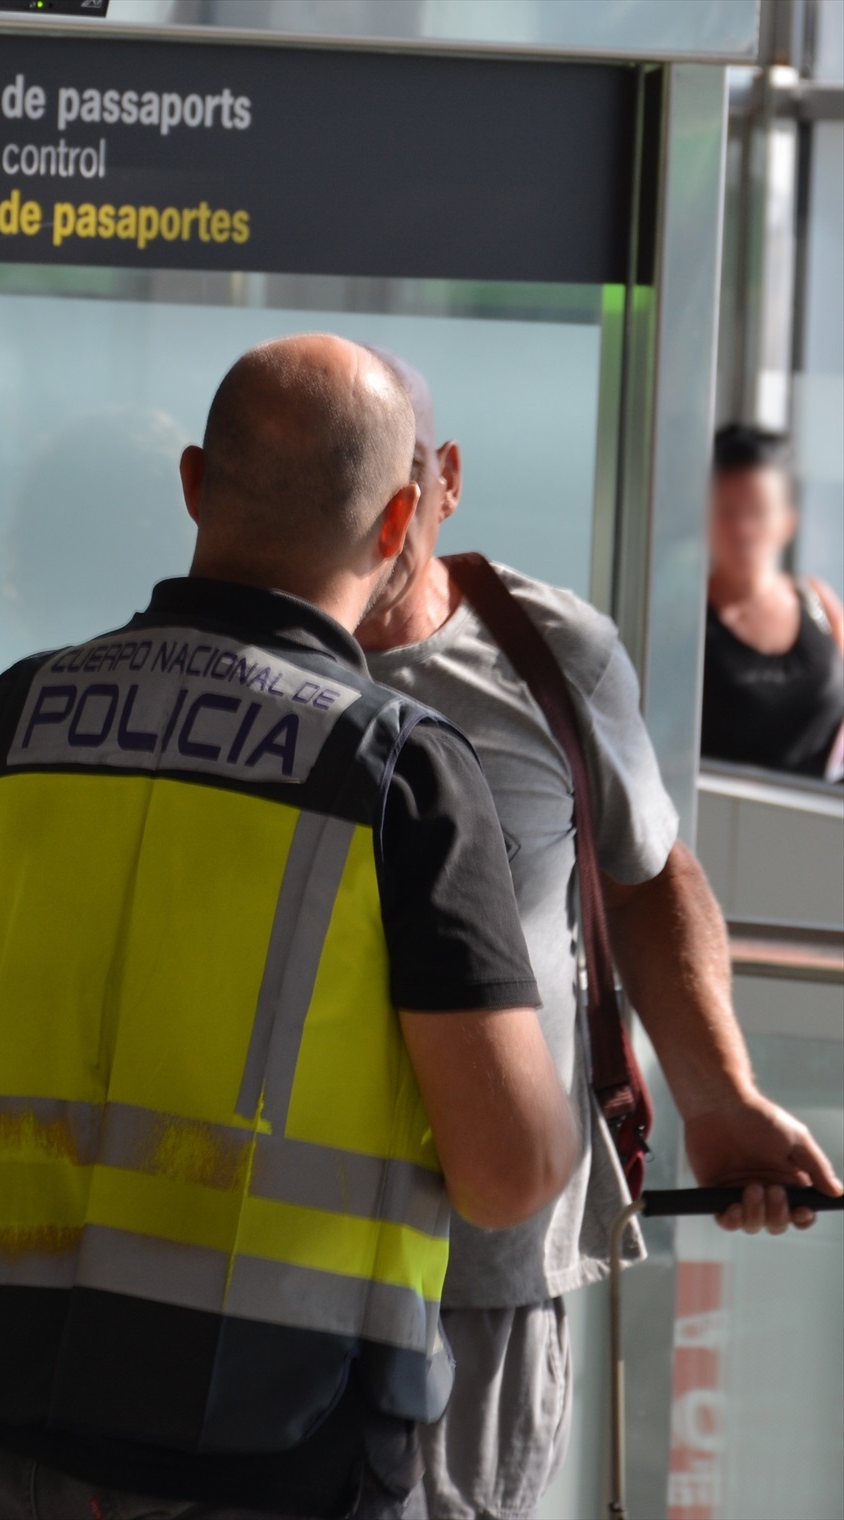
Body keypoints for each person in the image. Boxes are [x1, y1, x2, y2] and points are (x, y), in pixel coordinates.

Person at [0, 334, 581, 1520]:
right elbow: (508, 1171)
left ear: (194, 483)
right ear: (406, 513)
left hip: (12, 1431)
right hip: (273, 1447)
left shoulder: (14, 720)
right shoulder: (393, 767)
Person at [351, 357, 843, 1519]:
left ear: (445, 482)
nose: (377, 531)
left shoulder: (546, 647)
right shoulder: (252, 659)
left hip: (487, 1280)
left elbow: (650, 881)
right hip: (268, 1265)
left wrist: (718, 1095)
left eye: (399, 488)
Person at [701, 423, 844, 782]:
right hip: (722, 822)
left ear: (788, 521)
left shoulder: (818, 601)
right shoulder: (684, 618)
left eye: (758, 511)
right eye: (728, 511)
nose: (743, 529)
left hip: (816, 819)